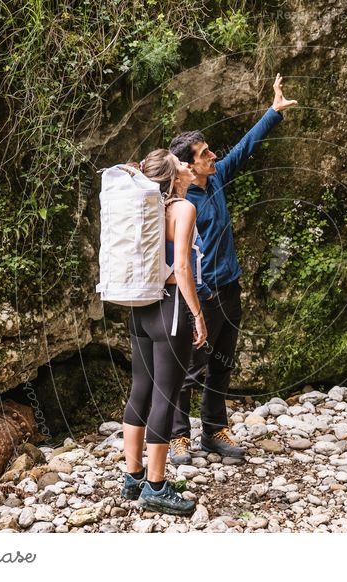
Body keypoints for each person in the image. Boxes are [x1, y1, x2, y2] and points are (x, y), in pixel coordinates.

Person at [167, 74, 298, 463]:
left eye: (209, 151)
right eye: (204, 153)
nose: (212, 155)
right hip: (201, 294)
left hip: (230, 287)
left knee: (223, 362)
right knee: (190, 366)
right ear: (190, 164)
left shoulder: (218, 177)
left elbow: (244, 149)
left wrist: (272, 112)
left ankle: (213, 430)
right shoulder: (179, 201)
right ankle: (177, 436)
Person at [119, 149, 208, 516]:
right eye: (181, 163)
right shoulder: (181, 210)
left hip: (141, 306)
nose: (188, 165)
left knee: (140, 388)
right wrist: (197, 314)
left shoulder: (147, 209)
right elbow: (183, 268)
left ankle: (134, 476)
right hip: (170, 306)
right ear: (174, 178)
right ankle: (157, 487)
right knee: (165, 395)